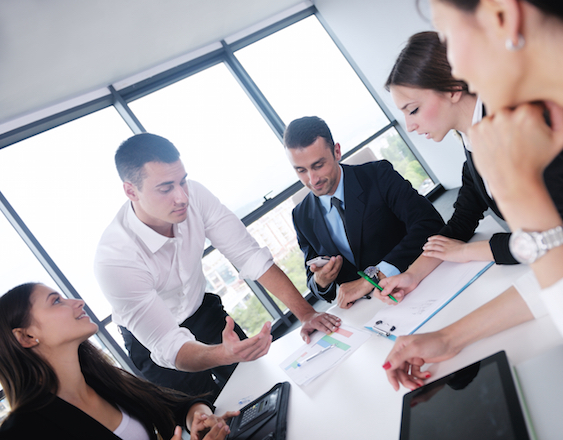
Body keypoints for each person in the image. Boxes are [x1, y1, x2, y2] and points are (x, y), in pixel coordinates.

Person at [384, 0, 563, 416]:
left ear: (501, 16)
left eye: (446, 36)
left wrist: (523, 201)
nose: (450, 62)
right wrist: (449, 338)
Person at [95, 133, 341, 399]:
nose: (182, 197)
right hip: (152, 341)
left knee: (262, 386)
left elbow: (248, 256)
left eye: (182, 181)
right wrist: (223, 354)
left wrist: (307, 314)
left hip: (201, 310)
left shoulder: (195, 195)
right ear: (131, 191)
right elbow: (167, 344)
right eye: (166, 188)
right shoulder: (115, 259)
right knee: (207, 413)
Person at [378, 31, 563, 304]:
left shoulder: (519, 123)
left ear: (452, 89)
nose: (410, 126)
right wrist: (412, 276)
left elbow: (555, 234)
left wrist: (468, 252)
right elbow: (461, 222)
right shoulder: (474, 141)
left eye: (413, 110)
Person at [0, 282, 237, 440]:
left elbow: (179, 405)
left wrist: (202, 419)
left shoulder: (105, 381)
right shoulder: (22, 431)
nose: (77, 302)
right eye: (56, 301)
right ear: (26, 336)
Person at [284, 116, 445, 309]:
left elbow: (429, 223)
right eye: (301, 170)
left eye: (318, 166)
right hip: (367, 309)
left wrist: (373, 278)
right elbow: (314, 283)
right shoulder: (301, 216)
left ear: (337, 151)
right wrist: (322, 280)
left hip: (416, 283)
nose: (312, 179)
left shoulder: (378, 175)